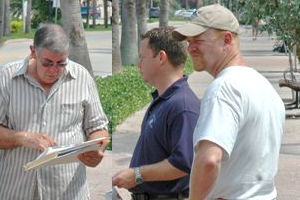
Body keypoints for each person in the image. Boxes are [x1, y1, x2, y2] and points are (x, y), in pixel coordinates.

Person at [172, 4, 285, 200]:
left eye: (197, 40)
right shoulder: (264, 87)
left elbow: (209, 160)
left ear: (227, 39)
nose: (190, 48)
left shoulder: (224, 88)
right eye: (188, 42)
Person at [0, 23, 109, 199]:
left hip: (68, 191)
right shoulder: (6, 77)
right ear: (33, 51)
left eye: (61, 63)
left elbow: (98, 126)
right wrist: (22, 138)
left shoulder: (81, 77)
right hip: (16, 189)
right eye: (47, 63)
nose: (53, 70)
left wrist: (98, 148)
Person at [112, 27, 200, 200]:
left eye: (142, 57)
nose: (138, 64)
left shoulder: (182, 106)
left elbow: (183, 163)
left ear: (161, 57)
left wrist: (137, 174)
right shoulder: (165, 99)